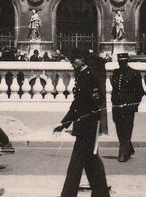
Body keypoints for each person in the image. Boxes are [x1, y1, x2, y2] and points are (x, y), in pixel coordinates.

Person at [55, 55, 110, 197]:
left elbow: (84, 103)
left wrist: (64, 123)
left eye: (75, 60)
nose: (73, 63)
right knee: (90, 160)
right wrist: (64, 123)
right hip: (85, 125)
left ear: (83, 60)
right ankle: (101, 193)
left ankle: (68, 194)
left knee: (78, 162)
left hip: (88, 126)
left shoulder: (89, 76)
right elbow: (77, 104)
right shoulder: (83, 75)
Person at [110, 53, 144, 162]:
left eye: (123, 61)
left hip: (128, 107)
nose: (121, 63)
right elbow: (115, 89)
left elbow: (140, 91)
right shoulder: (115, 73)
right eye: (120, 62)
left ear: (127, 61)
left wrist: (134, 104)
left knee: (127, 129)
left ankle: (123, 153)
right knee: (119, 129)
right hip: (116, 106)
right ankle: (128, 148)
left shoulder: (134, 74)